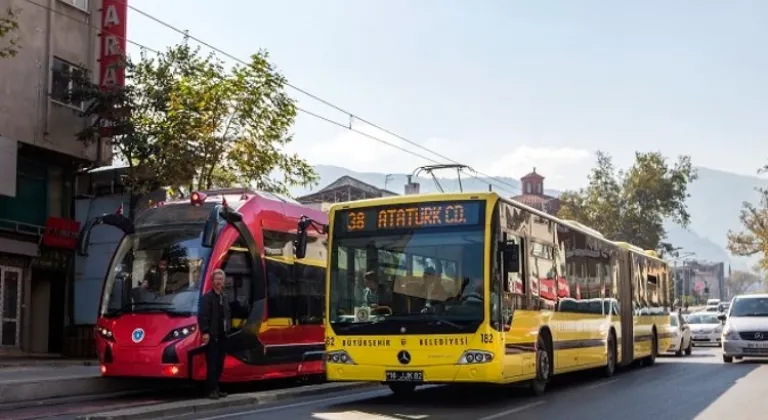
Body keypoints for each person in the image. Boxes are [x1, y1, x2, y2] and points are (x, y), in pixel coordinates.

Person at [198, 269, 230, 400]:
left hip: (223, 335)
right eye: (216, 279)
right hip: (212, 335)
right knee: (212, 364)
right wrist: (205, 332)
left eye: (220, 279)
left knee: (220, 364)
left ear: (223, 281)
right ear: (212, 281)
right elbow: (203, 316)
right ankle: (211, 390)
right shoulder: (207, 297)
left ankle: (216, 388)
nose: (218, 282)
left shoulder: (225, 296)